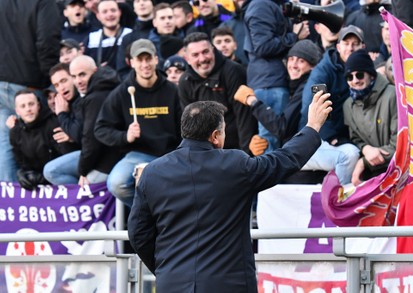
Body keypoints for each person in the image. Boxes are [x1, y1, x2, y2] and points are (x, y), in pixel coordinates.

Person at [128, 92, 332, 292]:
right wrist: (312, 127)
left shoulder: (152, 173)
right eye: (223, 131)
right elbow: (284, 159)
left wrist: (167, 268)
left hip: (172, 283)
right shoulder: (235, 165)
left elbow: (138, 234)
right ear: (215, 136)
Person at [94, 39, 182, 207]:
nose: (145, 64)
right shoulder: (122, 93)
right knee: (116, 184)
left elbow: (185, 129)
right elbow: (101, 129)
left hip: (170, 154)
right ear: (131, 62)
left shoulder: (172, 91)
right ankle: (149, 214)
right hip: (138, 154)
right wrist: (124, 136)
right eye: (139, 60)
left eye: (148, 59)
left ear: (156, 59)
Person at [0, 0, 60, 182]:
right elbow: (47, 42)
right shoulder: (44, 3)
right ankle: (44, 205)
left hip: (3, 83)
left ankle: (9, 204)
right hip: (30, 85)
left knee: (5, 144)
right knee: (45, 139)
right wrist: (52, 82)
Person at [298, 25, 365, 184]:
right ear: (338, 46)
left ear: (363, 47)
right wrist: (334, 138)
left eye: (355, 44)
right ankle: (339, 200)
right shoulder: (323, 71)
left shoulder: (366, 68)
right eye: (346, 43)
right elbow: (311, 106)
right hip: (317, 139)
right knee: (350, 154)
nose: (350, 48)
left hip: (347, 136)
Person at [44, 56, 122, 187]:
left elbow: (88, 139)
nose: (78, 81)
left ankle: (84, 202)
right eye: (57, 85)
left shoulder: (92, 97)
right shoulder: (66, 103)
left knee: (52, 171)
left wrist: (83, 171)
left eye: (64, 81)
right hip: (94, 157)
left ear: (95, 71)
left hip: (106, 158)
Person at [243, 0, 309, 153]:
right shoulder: (261, 5)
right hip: (270, 84)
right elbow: (263, 46)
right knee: (272, 146)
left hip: (272, 81)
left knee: (275, 143)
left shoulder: (270, 4)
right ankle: (273, 178)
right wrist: (294, 36)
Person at [178, 32, 257, 153]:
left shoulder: (233, 71)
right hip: (205, 152)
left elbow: (244, 118)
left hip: (235, 149)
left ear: (213, 50)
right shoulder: (184, 81)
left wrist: (245, 158)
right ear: (187, 59)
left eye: (205, 52)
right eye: (195, 55)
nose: (202, 59)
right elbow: (190, 128)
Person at [343, 49, 397, 186]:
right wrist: (365, 148)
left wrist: (364, 162)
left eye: (359, 75)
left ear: (371, 75)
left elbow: (400, 143)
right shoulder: (348, 105)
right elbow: (355, 138)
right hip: (370, 174)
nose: (355, 80)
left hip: (396, 169)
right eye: (350, 77)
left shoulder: (392, 95)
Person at [9, 90, 74, 190]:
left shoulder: (54, 123)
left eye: (31, 104)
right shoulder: (15, 132)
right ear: (17, 111)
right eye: (23, 106)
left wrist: (44, 177)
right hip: (37, 183)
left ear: (38, 106)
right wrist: (22, 173)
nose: (28, 109)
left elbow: (65, 160)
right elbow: (22, 162)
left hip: (59, 178)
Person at [83, 0, 132, 69]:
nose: (110, 14)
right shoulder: (91, 39)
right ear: (98, 16)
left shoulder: (131, 34)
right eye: (104, 12)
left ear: (119, 12)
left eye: (113, 10)